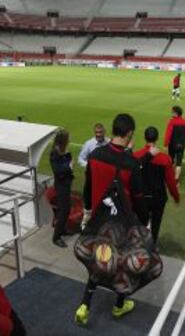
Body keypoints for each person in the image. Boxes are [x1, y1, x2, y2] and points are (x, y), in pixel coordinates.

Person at [75, 114, 150, 326]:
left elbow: (88, 187)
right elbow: (138, 198)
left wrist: (88, 210)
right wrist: (144, 221)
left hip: (98, 219)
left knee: (100, 260)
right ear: (129, 134)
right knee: (122, 265)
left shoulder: (96, 154)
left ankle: (85, 305)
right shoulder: (131, 164)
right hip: (121, 223)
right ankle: (118, 306)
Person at [134, 127, 180, 243]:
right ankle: (152, 247)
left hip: (141, 197)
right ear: (157, 138)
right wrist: (176, 197)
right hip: (158, 198)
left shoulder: (136, 155)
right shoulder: (165, 159)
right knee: (156, 224)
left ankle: (138, 246)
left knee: (139, 223)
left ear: (145, 138)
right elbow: (170, 182)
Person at [50, 129, 74, 248]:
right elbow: (58, 170)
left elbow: (68, 162)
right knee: (63, 211)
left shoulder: (63, 151)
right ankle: (56, 237)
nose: (70, 139)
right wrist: (69, 167)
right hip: (61, 186)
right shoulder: (55, 153)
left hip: (66, 184)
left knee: (67, 209)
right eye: (68, 137)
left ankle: (63, 229)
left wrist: (68, 158)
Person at [164, 106, 185, 182]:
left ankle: (170, 176)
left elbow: (168, 134)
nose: (171, 113)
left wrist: (165, 145)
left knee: (171, 161)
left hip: (172, 145)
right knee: (179, 162)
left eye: (172, 112)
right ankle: (176, 179)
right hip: (181, 145)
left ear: (176, 113)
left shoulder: (171, 122)